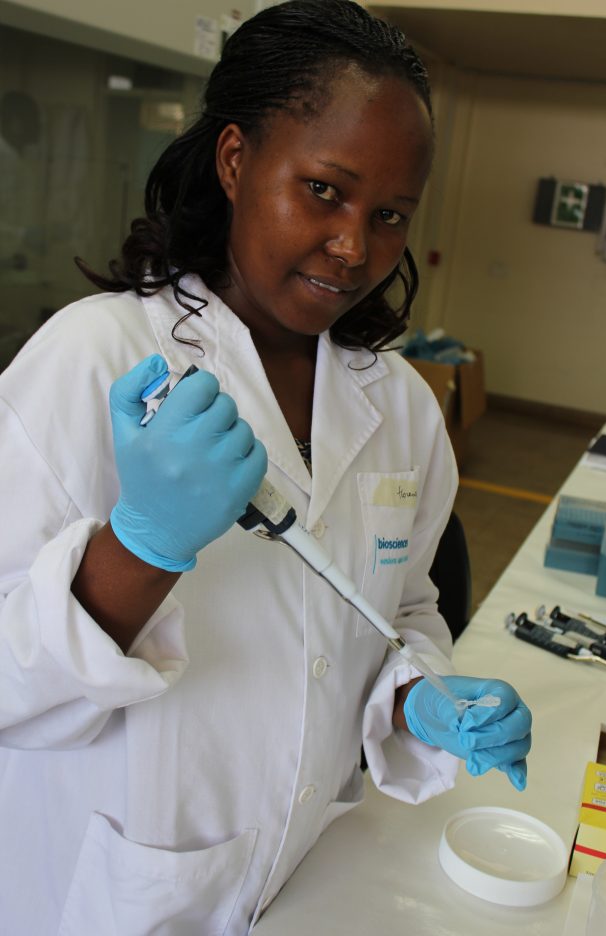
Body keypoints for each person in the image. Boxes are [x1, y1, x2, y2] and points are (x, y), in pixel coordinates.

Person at [0, 1, 531, 932]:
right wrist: (145, 547)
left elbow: (400, 611)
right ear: (237, 159)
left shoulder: (401, 403)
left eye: (391, 214)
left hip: (305, 881)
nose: (355, 247)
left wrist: (420, 701)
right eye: (325, 190)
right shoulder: (91, 357)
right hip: (103, 893)